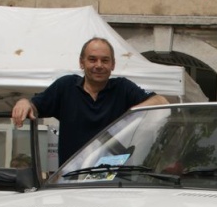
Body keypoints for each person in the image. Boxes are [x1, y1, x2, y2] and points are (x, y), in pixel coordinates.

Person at [12, 37, 169, 165]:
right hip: (71, 180)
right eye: (92, 59)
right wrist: (24, 103)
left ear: (113, 64)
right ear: (82, 62)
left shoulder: (123, 88)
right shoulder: (65, 87)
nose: (99, 65)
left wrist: (131, 113)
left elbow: (161, 101)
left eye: (105, 60)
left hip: (114, 181)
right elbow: (34, 106)